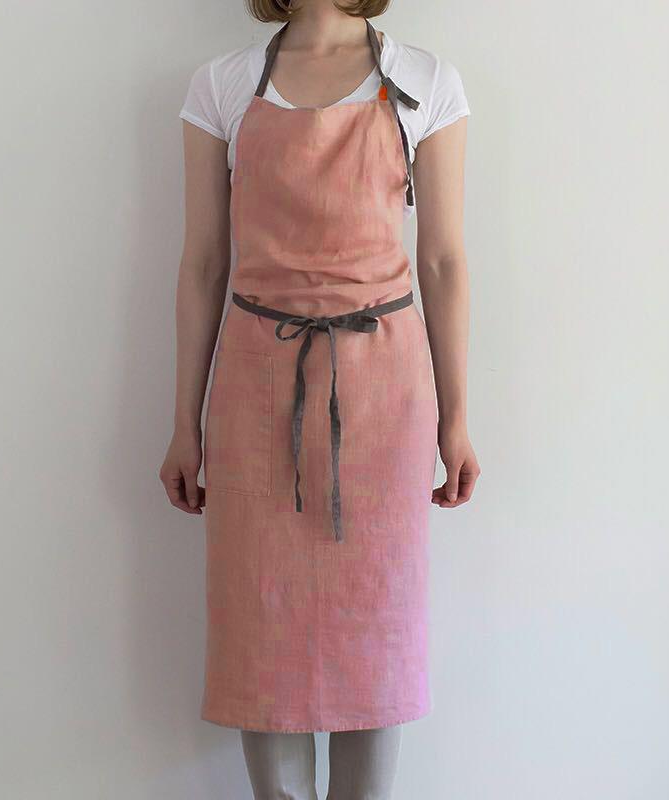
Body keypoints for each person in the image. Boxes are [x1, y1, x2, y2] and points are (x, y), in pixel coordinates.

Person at [160, 0, 480, 796]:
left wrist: (457, 420)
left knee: (378, 621)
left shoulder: (426, 82)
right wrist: (183, 425)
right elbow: (203, 264)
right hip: (254, 388)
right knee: (258, 624)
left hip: (384, 395)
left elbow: (442, 261)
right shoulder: (222, 86)